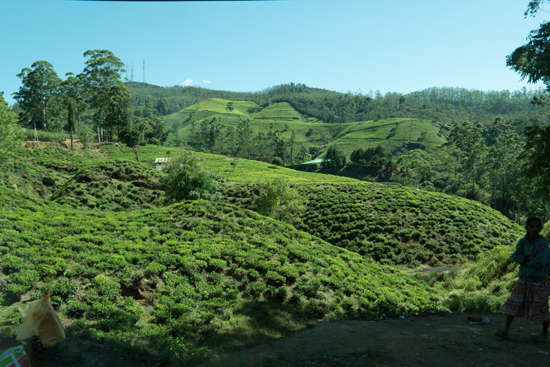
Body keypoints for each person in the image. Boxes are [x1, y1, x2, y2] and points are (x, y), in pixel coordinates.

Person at [495, 217, 550, 342]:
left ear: (540, 229)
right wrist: (526, 259)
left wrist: (524, 261)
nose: (534, 229)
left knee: (542, 307)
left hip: (538, 280)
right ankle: (505, 330)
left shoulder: (543, 243)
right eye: (532, 226)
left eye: (537, 227)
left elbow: (541, 262)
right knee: (514, 302)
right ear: (527, 228)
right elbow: (515, 256)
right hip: (523, 279)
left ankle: (544, 334)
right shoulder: (522, 241)